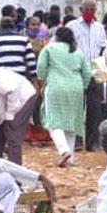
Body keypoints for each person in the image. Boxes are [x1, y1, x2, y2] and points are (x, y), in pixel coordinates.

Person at [37, 26, 92, 166]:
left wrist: (43, 81)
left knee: (53, 120)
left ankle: (64, 151)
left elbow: (41, 69)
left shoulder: (49, 49)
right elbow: (87, 74)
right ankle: (71, 158)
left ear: (57, 37)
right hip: (76, 89)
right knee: (71, 123)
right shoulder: (78, 52)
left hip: (55, 87)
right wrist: (82, 86)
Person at [67, 0, 107, 150]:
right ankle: (76, 141)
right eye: (87, 9)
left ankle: (93, 143)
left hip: (96, 69)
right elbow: (66, 47)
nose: (89, 12)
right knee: (77, 107)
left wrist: (102, 75)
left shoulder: (100, 28)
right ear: (81, 10)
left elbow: (103, 50)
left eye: (92, 9)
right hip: (77, 70)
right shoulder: (72, 26)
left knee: (95, 109)